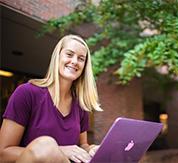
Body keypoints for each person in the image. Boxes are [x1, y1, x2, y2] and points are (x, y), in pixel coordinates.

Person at [0, 34, 102, 163]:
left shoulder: (80, 104)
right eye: (69, 54)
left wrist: (91, 149)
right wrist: (58, 151)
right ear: (57, 57)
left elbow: (82, 145)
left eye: (81, 58)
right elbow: (3, 154)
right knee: (46, 144)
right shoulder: (26, 93)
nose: (75, 61)